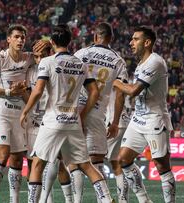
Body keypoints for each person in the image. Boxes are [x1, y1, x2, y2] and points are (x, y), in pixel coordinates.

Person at [20, 24, 114, 203]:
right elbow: (94, 92)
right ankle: (108, 200)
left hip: (52, 122)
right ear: (70, 42)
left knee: (38, 163)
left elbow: (38, 90)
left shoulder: (47, 62)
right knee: (86, 165)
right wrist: (83, 114)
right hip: (73, 122)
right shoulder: (80, 63)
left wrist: (25, 111)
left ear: (53, 42)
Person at [113, 26, 175, 203]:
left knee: (162, 166)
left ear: (147, 42)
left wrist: (115, 82)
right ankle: (144, 200)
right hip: (138, 120)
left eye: (135, 39)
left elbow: (133, 91)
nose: (131, 42)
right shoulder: (141, 63)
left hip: (155, 121)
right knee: (123, 159)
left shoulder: (155, 62)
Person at [68, 22, 127, 203]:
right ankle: (105, 200)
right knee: (97, 160)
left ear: (95, 36)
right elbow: (120, 94)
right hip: (96, 113)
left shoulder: (80, 54)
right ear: (111, 39)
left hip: (75, 111)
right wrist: (115, 121)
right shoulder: (118, 60)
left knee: (74, 162)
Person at [0, 24, 33, 203]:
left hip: (20, 112)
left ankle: (14, 200)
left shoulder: (29, 59)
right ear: (9, 39)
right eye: (17, 37)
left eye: (23, 37)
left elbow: (46, 57)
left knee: (18, 159)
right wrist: (9, 92)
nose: (20, 40)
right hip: (1, 110)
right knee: (3, 154)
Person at [25, 40, 73, 203]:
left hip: (52, 120)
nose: (39, 60)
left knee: (56, 162)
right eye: (36, 57)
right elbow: (29, 96)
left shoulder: (55, 68)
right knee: (34, 165)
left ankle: (65, 199)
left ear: (50, 54)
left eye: (42, 56)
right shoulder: (30, 72)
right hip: (34, 123)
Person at [105, 86, 131, 203]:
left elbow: (120, 95)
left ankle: (106, 199)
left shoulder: (108, 70)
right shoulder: (121, 71)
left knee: (93, 161)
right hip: (123, 120)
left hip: (112, 122)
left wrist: (114, 122)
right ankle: (122, 200)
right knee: (117, 163)